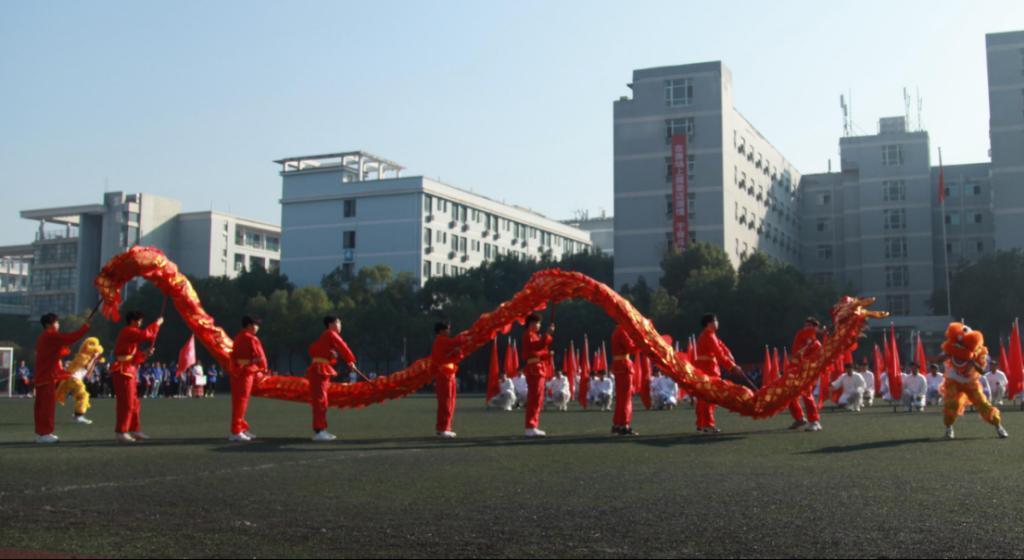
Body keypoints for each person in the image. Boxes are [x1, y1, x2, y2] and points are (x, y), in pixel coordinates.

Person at [939, 322, 1008, 440]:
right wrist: (948, 354)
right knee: (951, 403)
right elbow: (938, 360)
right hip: (953, 380)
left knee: (983, 404)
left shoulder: (979, 352)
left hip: (970, 382)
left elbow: (982, 371)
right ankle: (949, 428)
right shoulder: (953, 348)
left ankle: (998, 426)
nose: (961, 345)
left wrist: (973, 362)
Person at [32, 313, 90, 443]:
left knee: (41, 407)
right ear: (49, 325)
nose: (58, 325)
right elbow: (71, 337)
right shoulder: (51, 335)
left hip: (43, 376)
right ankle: (45, 433)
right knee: (47, 407)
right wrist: (85, 327)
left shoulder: (44, 336)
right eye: (56, 322)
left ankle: (42, 433)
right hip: (48, 376)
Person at [111, 311, 162, 444]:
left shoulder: (132, 335)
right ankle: (121, 431)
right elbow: (145, 335)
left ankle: (134, 429)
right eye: (139, 320)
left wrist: (145, 353)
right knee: (126, 403)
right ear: (133, 321)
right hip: (123, 371)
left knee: (134, 403)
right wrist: (157, 324)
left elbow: (134, 357)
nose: (140, 323)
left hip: (130, 371)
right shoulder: (128, 331)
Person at [306, 316, 359, 442]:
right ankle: (319, 431)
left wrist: (333, 355)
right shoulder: (330, 334)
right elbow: (342, 346)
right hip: (319, 370)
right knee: (320, 400)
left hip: (320, 370)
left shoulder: (325, 337)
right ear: (331, 324)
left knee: (322, 400)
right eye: (338, 322)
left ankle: (321, 429)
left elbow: (313, 350)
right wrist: (350, 360)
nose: (340, 325)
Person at [694, 314, 744, 434]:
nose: (717, 323)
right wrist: (732, 367)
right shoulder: (709, 336)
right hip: (708, 370)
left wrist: (729, 354)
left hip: (706, 370)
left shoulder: (709, 335)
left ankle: (701, 424)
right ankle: (708, 425)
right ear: (709, 323)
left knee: (703, 398)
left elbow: (721, 346)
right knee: (709, 398)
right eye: (715, 321)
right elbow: (719, 354)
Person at [229, 317, 266, 442]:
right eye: (256, 325)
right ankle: (236, 431)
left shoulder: (238, 337)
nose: (257, 328)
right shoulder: (251, 338)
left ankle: (241, 428)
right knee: (241, 402)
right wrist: (263, 368)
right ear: (249, 325)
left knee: (239, 402)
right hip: (246, 372)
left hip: (238, 372)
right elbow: (260, 356)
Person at [521, 313, 554, 437]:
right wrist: (548, 334)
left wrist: (548, 354)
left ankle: (533, 425)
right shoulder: (528, 335)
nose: (539, 325)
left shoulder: (534, 336)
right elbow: (537, 346)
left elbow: (539, 351)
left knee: (538, 398)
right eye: (538, 323)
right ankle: (530, 426)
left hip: (538, 367)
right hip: (534, 369)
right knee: (534, 398)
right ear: (532, 323)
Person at [787, 318, 823, 432]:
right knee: (789, 394)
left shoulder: (817, 344)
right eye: (805, 326)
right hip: (796, 372)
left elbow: (816, 361)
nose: (806, 328)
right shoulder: (801, 340)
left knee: (806, 395)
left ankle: (814, 421)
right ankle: (799, 418)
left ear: (815, 328)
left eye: (809, 326)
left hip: (808, 374)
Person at [430, 321, 464, 438]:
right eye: (447, 329)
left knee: (448, 402)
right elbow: (457, 342)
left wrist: (457, 352)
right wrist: (468, 335)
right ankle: (444, 428)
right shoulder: (442, 340)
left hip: (448, 375)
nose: (449, 331)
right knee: (447, 402)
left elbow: (454, 354)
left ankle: (443, 428)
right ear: (441, 331)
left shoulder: (442, 342)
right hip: (445, 376)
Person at [609, 324, 640, 436]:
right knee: (626, 398)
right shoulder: (623, 331)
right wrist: (640, 342)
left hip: (619, 366)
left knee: (621, 398)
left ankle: (618, 424)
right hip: (624, 367)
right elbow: (631, 348)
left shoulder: (616, 331)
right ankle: (624, 425)